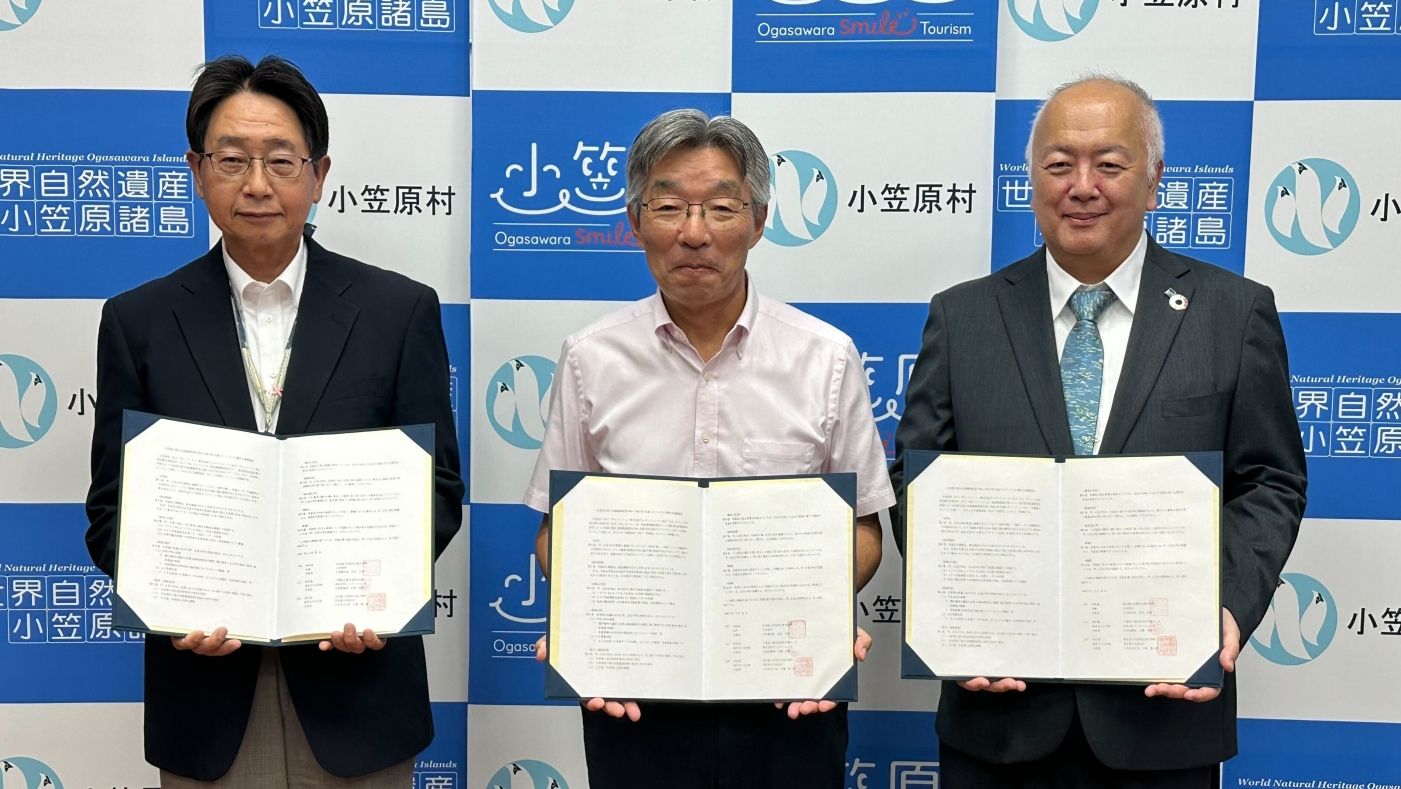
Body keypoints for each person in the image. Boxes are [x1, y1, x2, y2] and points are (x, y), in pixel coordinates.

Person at [889, 74, 1307, 787]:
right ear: (1031, 180)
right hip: (999, 716)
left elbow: (1267, 478)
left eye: (1108, 164)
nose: (1081, 185)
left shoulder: (1230, 314)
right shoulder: (962, 317)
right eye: (1058, 164)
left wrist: (1228, 607)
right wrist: (957, 611)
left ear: (1152, 183)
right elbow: (918, 478)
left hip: (1163, 713)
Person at [84, 54, 463, 787]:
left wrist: (374, 596)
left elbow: (437, 489)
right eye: (232, 159)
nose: (257, 184)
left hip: (360, 691)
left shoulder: (397, 311)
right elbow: (111, 511)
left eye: (280, 160)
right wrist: (170, 602)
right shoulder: (139, 321)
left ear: (319, 173)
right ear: (197, 170)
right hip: (205, 702)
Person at [523, 108, 895, 789]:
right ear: (634, 220)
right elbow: (558, 529)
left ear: (757, 220)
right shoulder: (589, 358)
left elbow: (864, 527)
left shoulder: (825, 356)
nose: (693, 233)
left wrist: (816, 607)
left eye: (720, 207)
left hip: (788, 690)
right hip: (635, 693)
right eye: (668, 206)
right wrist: (582, 613)